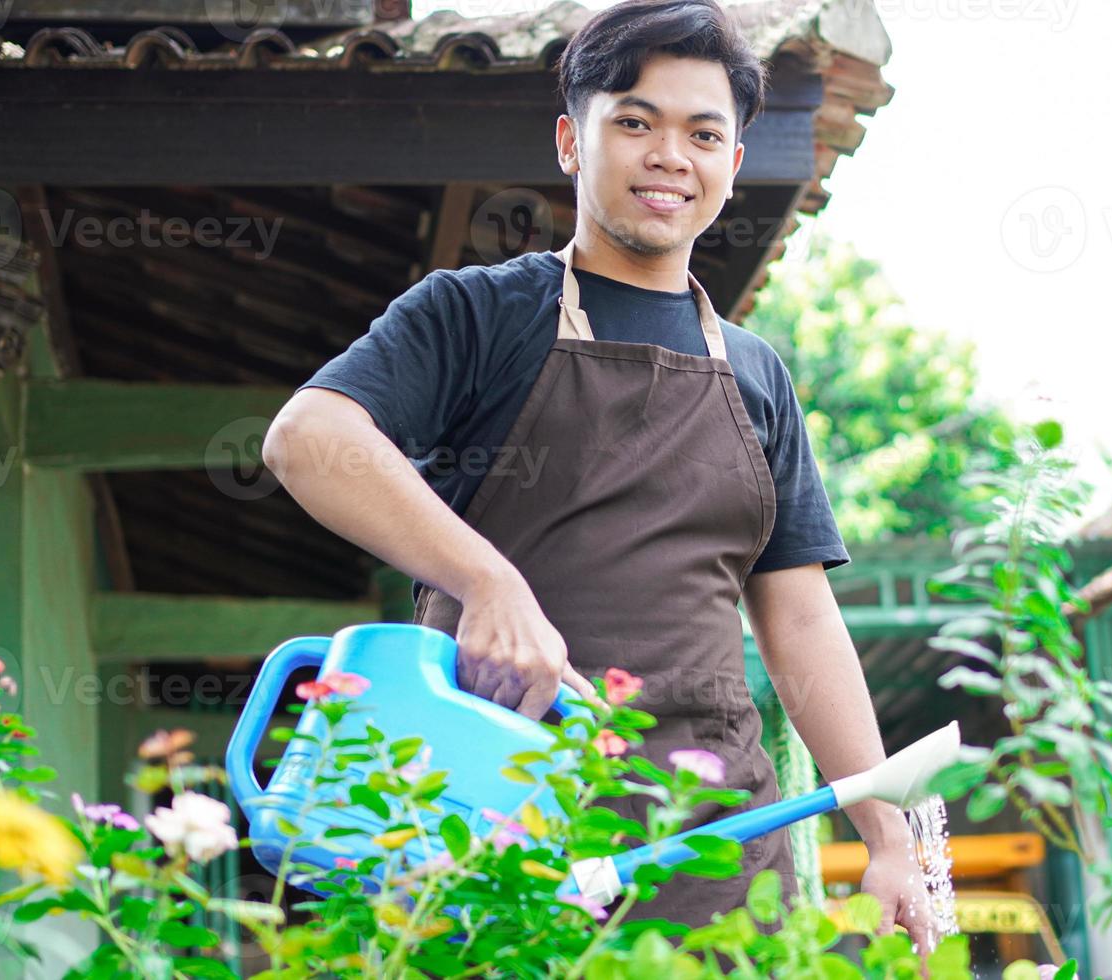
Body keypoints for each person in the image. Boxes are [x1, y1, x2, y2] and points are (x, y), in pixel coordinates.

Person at [261, 0, 934, 950]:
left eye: (704, 133)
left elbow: (800, 620)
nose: (670, 155)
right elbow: (307, 437)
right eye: (635, 122)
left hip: (712, 837)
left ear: (733, 165)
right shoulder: (480, 314)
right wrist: (486, 577)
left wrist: (884, 830)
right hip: (492, 810)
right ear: (573, 142)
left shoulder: (757, 375)